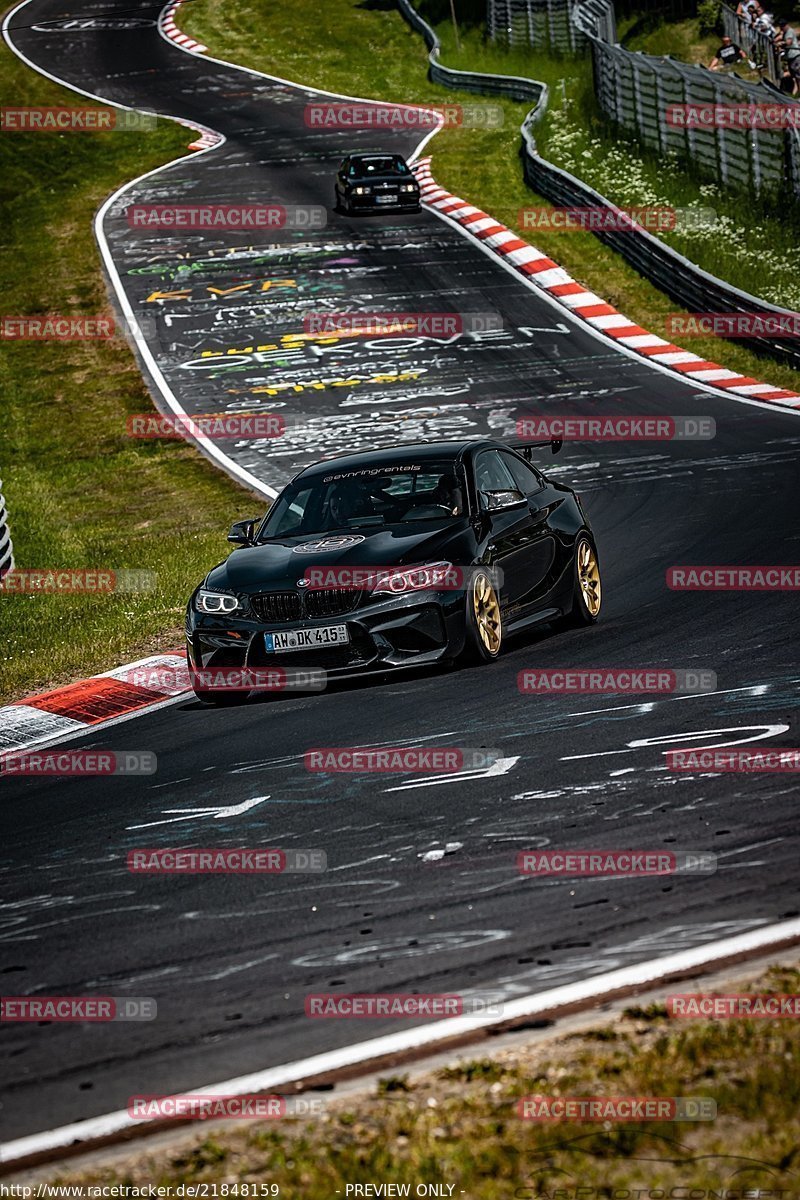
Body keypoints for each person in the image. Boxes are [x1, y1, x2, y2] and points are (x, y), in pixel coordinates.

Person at [775, 18, 800, 82]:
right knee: (794, 76)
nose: (781, 27)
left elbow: (789, 42)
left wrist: (781, 43)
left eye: (783, 26)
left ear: (786, 25)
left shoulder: (789, 31)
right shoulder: (785, 33)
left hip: (795, 56)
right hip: (790, 57)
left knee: (798, 76)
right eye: (780, 26)